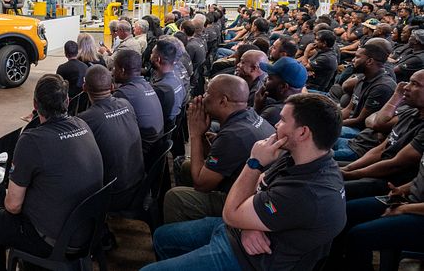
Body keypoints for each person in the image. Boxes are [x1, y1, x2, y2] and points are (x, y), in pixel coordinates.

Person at [144, 94, 345, 271]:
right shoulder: (302, 156)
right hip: (242, 231)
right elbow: (260, 183)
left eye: (283, 120)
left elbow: (231, 213)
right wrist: (249, 224)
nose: (276, 124)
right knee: (162, 237)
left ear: (303, 133)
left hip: (250, 260)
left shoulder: (309, 193)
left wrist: (254, 162)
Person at [0, 74, 103, 271]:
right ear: (67, 101)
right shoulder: (82, 125)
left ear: (35, 104)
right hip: (89, 231)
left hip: (55, 242)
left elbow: (13, 206)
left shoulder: (31, 141)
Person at [161, 75, 274, 224]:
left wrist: (195, 134)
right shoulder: (248, 115)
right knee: (183, 164)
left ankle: (180, 236)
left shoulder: (234, 135)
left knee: (175, 197)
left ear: (223, 101)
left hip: (245, 202)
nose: (202, 96)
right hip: (245, 185)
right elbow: (220, 158)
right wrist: (202, 137)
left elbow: (201, 184)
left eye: (207, 92)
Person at [328, 151, 424, 271]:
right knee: (347, 211)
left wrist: (403, 209)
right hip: (409, 201)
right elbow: (420, 179)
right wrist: (401, 190)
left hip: (418, 212)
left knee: (359, 236)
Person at [340, 71, 424, 200]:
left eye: (414, 84)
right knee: (324, 167)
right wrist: (349, 168)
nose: (405, 87)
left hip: (390, 182)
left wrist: (350, 174)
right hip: (374, 166)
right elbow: (381, 149)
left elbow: (395, 164)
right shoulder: (410, 112)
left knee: (330, 185)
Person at [77, 65, 144, 211]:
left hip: (113, 195)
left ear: (84, 88)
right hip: (139, 185)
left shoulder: (84, 120)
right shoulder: (126, 104)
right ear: (112, 86)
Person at [112, 50, 164, 162]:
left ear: (122, 70)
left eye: (114, 68)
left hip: (141, 153)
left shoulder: (123, 94)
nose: (112, 72)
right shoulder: (147, 85)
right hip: (156, 147)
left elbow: (115, 130)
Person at [340, 42, 396, 138]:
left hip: (362, 132)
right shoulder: (363, 77)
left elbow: (360, 121)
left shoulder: (382, 87)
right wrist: (331, 118)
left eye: (357, 57)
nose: (353, 60)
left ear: (369, 61)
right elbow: (349, 110)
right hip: (350, 123)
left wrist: (332, 124)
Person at [253, 57, 306, 127]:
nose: (265, 79)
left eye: (269, 78)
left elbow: (249, 133)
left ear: (283, 87)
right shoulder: (301, 106)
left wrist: (256, 108)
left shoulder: (274, 112)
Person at [150, 39, 187, 133]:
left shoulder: (161, 90)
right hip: (170, 130)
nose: (150, 56)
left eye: (152, 54)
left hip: (158, 134)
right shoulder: (178, 78)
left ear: (158, 59)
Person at [56, 40, 89, 115]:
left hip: (69, 103)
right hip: (83, 102)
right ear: (77, 52)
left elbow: (58, 87)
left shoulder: (62, 68)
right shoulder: (85, 66)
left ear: (65, 53)